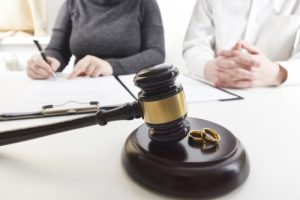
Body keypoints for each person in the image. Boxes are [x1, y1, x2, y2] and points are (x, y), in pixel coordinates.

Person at [27, 0, 165, 79]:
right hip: (82, 87)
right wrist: (48, 62)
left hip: (131, 86)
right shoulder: (72, 3)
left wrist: (111, 66)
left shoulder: (144, 3)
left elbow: (156, 53)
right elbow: (57, 50)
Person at [183, 0, 300, 88]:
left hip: (279, 97)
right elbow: (194, 45)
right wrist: (209, 67)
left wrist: (277, 73)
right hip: (219, 90)